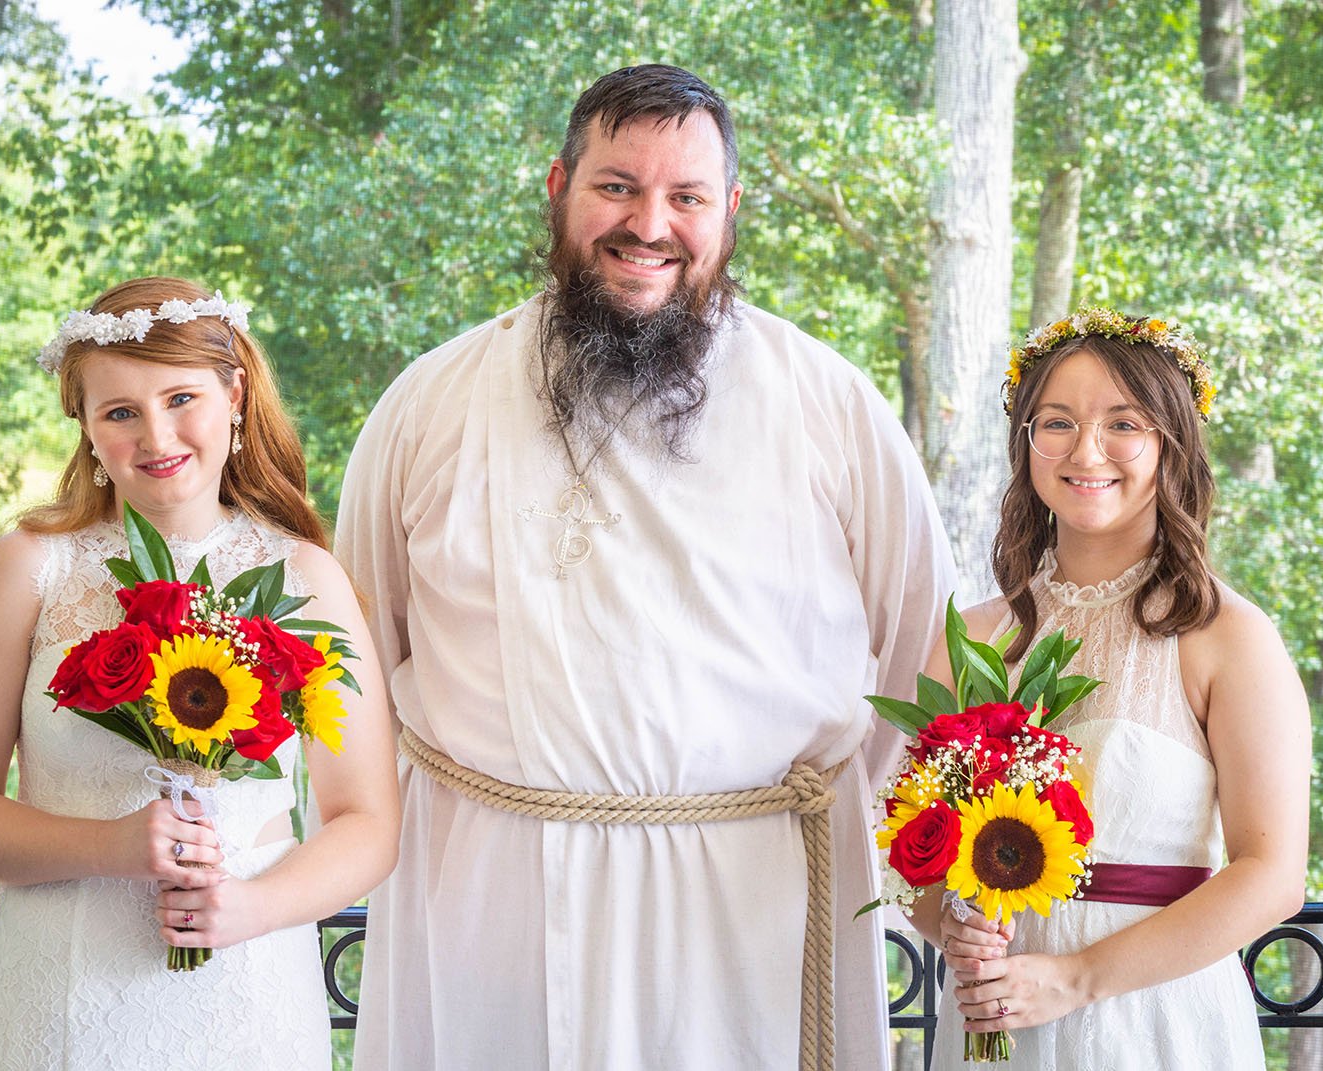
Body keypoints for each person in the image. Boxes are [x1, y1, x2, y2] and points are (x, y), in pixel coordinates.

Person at [336, 64, 956, 1070]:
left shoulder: (831, 406)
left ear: (731, 211)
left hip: (758, 899)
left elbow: (919, 656)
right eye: (617, 186)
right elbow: (354, 662)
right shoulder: (428, 405)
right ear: (559, 187)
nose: (649, 224)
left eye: (687, 197)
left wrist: (826, 813)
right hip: (493, 898)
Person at [0, 276, 401, 1070]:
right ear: (86, 426)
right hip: (61, 994)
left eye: (181, 398)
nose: (156, 435)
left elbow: (368, 822)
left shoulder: (307, 575)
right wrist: (113, 845)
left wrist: (248, 906)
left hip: (249, 991)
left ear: (235, 393)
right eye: (120, 412)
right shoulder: (29, 569)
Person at [909, 307, 1310, 1069]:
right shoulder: (975, 634)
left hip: (1156, 1023)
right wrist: (952, 922)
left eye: (1123, 423)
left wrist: (1076, 980)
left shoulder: (1227, 635)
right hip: (996, 1020)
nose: (1085, 449)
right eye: (1056, 422)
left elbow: (1272, 876)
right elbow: (919, 853)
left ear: (1171, 442)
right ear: (1027, 444)